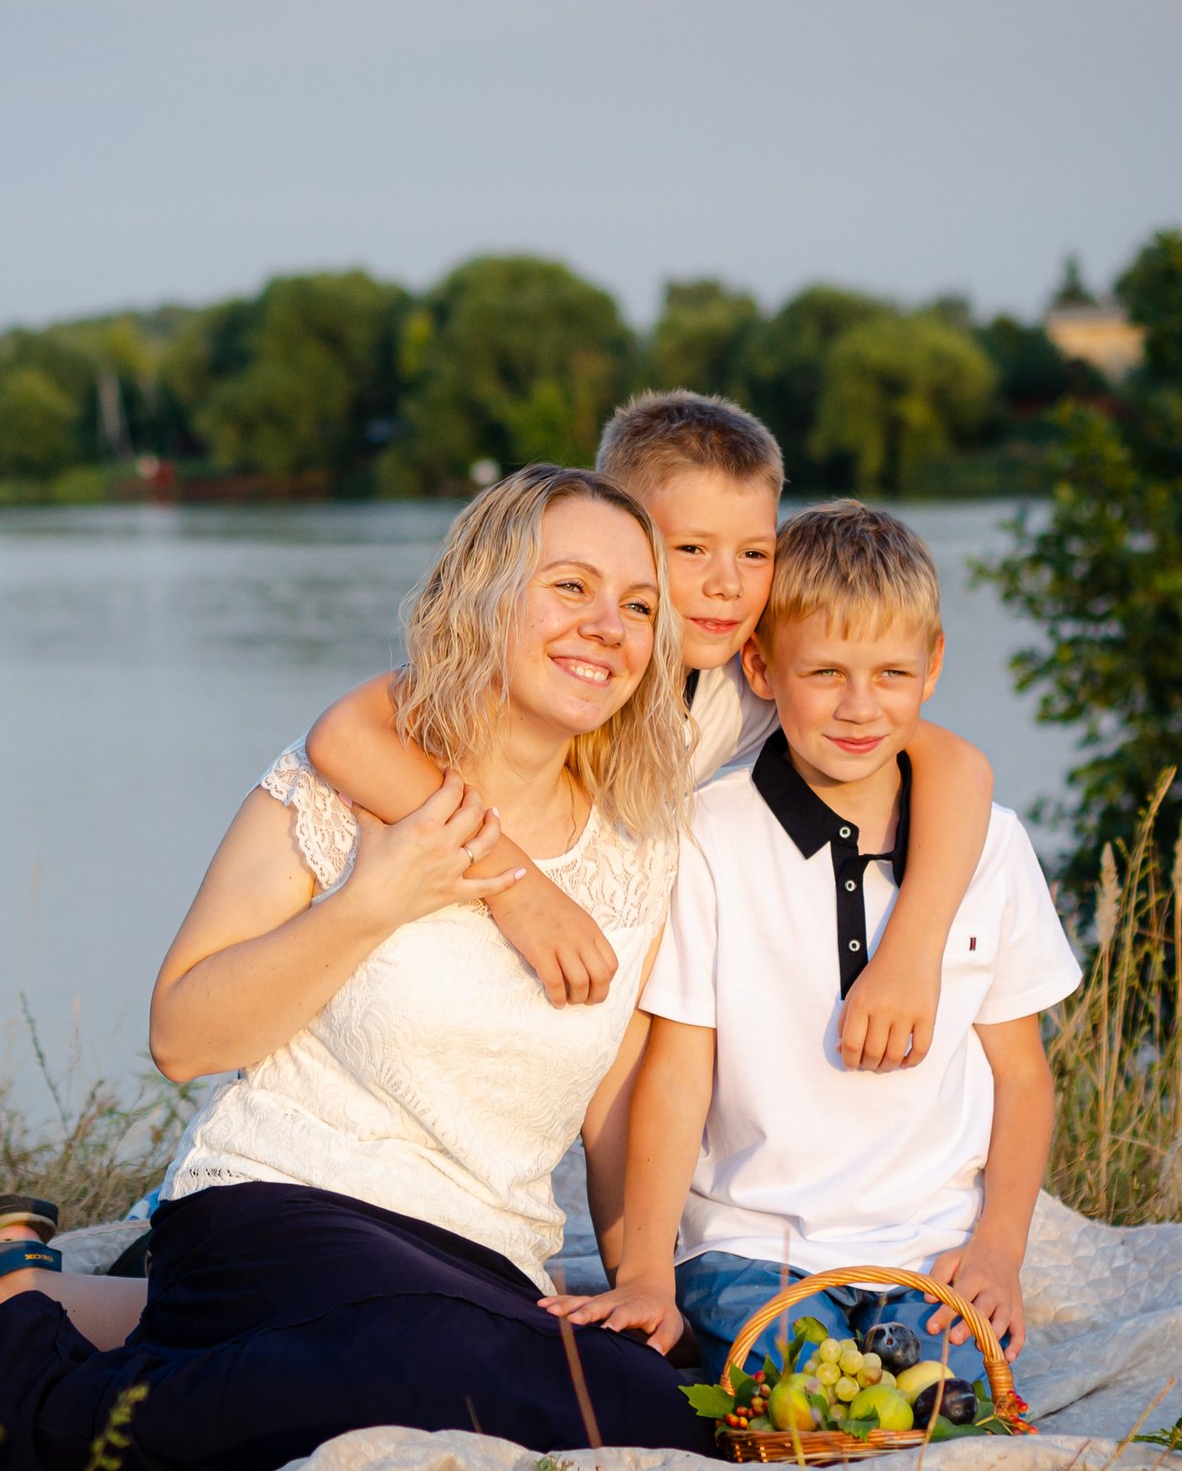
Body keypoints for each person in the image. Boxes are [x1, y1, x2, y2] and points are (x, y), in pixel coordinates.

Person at [0, 466, 713, 1471]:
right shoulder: (338, 790)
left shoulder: (643, 839)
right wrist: (370, 902)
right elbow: (182, 1036)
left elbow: (614, 1086)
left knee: (644, 1401)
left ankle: (65, 1314)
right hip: (277, 1205)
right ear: (487, 593)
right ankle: (1, 1393)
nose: (607, 625)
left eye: (638, 605)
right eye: (570, 587)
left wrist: (645, 1268)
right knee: (444, 1357)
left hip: (478, 1253)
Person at [544, 502, 1082, 1387]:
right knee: (802, 1394)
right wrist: (646, 1268)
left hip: (929, 1248)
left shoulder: (990, 843)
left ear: (934, 665)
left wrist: (997, 1253)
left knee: (943, 1400)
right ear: (761, 666)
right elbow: (680, 1070)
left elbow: (1022, 1075)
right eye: (825, 672)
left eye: (893, 673)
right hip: (751, 1246)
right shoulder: (709, 835)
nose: (860, 707)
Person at [305, 391, 995, 1076]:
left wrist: (910, 951)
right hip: (451, 956)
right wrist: (518, 889)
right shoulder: (558, 665)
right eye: (692, 548)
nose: (727, 585)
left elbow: (956, 766)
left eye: (755, 554)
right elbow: (344, 737)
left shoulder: (743, 684)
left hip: (584, 992)